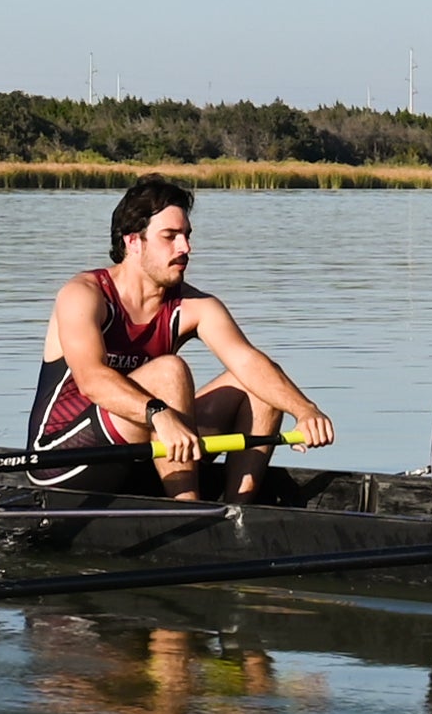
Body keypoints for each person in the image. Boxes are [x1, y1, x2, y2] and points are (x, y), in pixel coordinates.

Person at [30, 178, 335, 501]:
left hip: (145, 447)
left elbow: (249, 362)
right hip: (64, 460)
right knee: (168, 372)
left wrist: (305, 411)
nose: (185, 248)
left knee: (257, 384)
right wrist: (159, 415)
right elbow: (92, 380)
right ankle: (188, 511)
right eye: (170, 237)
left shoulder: (194, 306)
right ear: (133, 242)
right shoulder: (84, 294)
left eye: (186, 236)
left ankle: (238, 512)